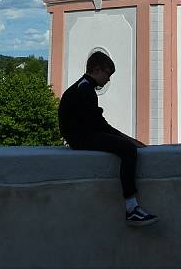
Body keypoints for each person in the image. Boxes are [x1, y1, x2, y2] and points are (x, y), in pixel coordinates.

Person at [58, 51, 158, 227]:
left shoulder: (83, 86)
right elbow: (98, 124)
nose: (108, 80)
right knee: (128, 150)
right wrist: (128, 140)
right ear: (97, 69)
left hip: (79, 136)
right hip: (82, 138)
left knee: (126, 146)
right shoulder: (85, 88)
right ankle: (131, 208)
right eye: (107, 74)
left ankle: (132, 208)